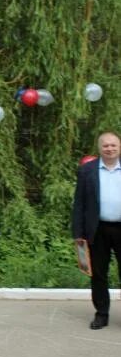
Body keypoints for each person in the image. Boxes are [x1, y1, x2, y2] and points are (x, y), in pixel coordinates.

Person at [72, 131, 121, 330]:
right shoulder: (87, 170)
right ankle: (102, 314)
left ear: (119, 147)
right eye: (105, 145)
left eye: (113, 145)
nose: (109, 149)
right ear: (99, 148)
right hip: (97, 230)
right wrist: (78, 234)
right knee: (99, 274)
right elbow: (79, 204)